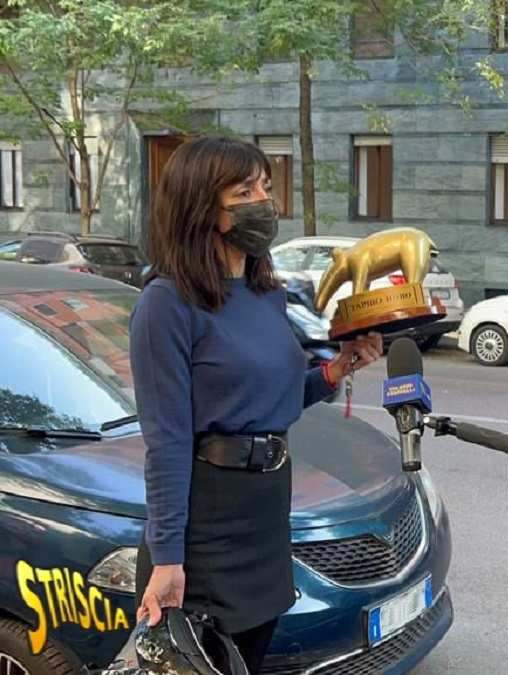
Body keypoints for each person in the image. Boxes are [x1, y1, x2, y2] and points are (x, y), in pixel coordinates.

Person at [130, 136, 383, 673]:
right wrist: (169, 558)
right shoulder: (167, 303)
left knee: (253, 657)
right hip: (207, 522)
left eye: (265, 186)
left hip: (266, 511)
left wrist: (337, 370)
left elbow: (277, 397)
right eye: (244, 190)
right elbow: (167, 440)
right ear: (203, 207)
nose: (264, 202)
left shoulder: (267, 293)